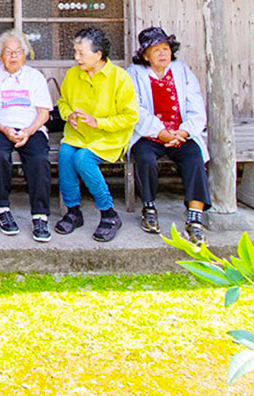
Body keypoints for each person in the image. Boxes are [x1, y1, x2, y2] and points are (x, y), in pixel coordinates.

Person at [127, 26, 210, 245]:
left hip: (180, 133)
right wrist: (161, 133)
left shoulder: (181, 71)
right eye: (156, 50)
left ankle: (195, 218)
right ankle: (149, 207)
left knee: (194, 157)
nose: (163, 54)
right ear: (145, 55)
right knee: (145, 158)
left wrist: (184, 131)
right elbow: (136, 110)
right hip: (149, 134)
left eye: (166, 48)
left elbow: (196, 104)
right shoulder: (134, 73)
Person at [55, 26, 138, 242]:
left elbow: (130, 117)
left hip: (108, 137)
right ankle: (73, 212)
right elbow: (62, 102)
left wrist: (97, 122)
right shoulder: (73, 75)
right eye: (75, 52)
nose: (76, 57)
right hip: (78, 134)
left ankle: (108, 213)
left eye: (81, 53)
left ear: (98, 54)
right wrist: (68, 115)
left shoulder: (119, 78)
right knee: (65, 153)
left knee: (82, 159)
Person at [0, 30, 53, 242]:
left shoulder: (34, 77)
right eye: (8, 52)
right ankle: (2, 208)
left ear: (25, 54)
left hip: (31, 128)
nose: (13, 56)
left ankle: (40, 215)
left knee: (40, 159)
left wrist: (28, 131)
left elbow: (44, 112)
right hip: (1, 127)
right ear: (0, 56)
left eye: (18, 51)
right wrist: (5, 129)